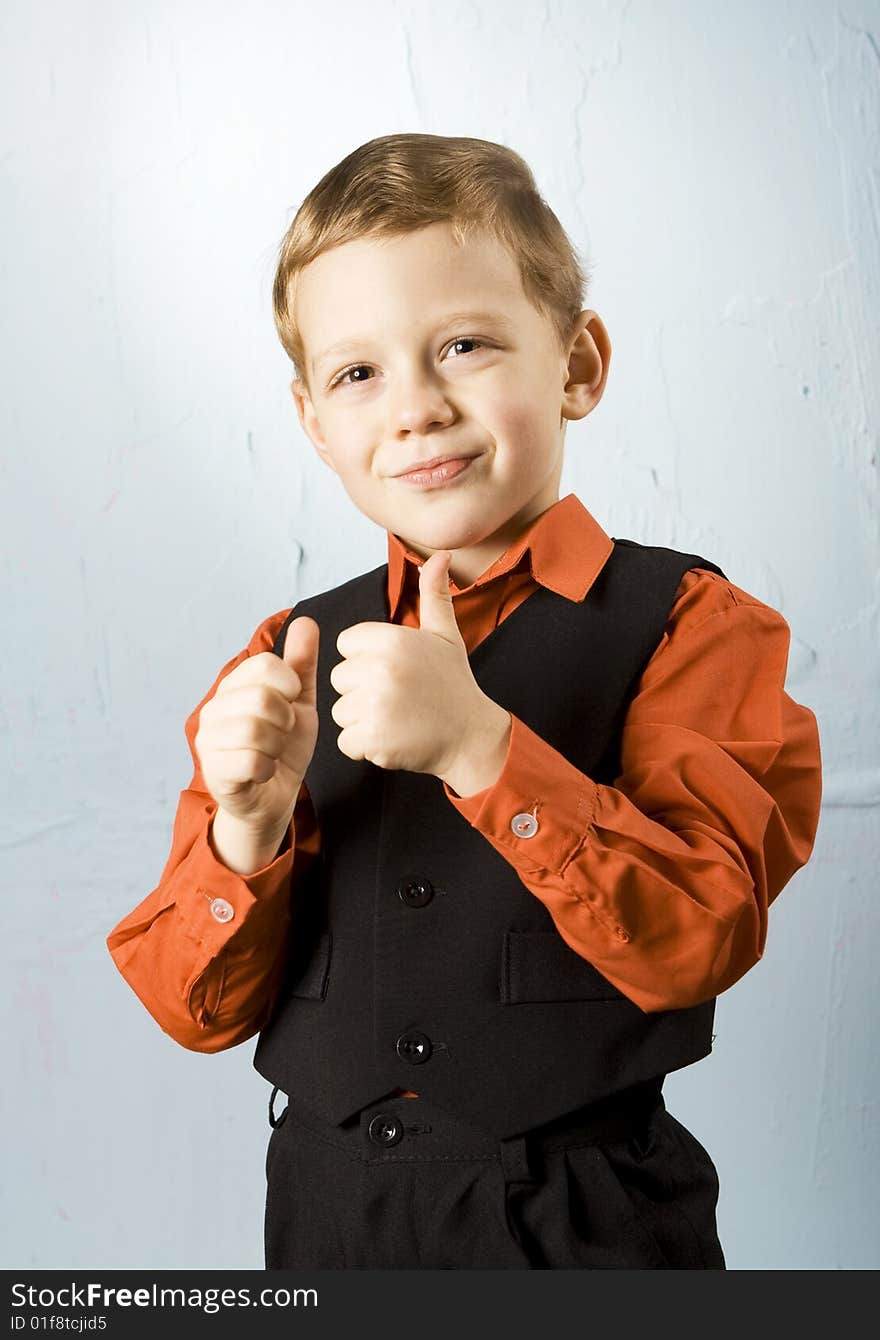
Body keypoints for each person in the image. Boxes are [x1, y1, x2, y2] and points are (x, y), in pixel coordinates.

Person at [106, 132, 823, 1270]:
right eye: (358, 373)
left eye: (465, 345)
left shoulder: (694, 623)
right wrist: (245, 831)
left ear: (577, 363)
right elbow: (193, 1010)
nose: (417, 407)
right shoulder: (285, 653)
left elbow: (701, 934)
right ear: (312, 420)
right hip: (325, 1211)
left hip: (579, 1215)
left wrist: (486, 749)